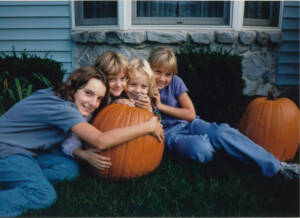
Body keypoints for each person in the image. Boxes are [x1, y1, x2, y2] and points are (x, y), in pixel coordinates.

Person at [0, 66, 164, 217]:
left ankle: (20, 178)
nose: (93, 103)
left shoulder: (56, 94)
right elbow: (100, 141)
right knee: (43, 195)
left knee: (68, 169)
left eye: (99, 98)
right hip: (6, 152)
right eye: (88, 93)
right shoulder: (63, 109)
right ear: (73, 88)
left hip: (28, 151)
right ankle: (25, 185)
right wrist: (148, 127)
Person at [148, 46, 299, 179]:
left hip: (191, 124)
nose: (163, 78)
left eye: (168, 74)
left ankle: (278, 167)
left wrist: (161, 106)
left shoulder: (176, 82)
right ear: (149, 69)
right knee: (202, 149)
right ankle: (229, 152)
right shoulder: (142, 87)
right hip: (169, 133)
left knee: (222, 132)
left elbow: (191, 114)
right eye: (158, 72)